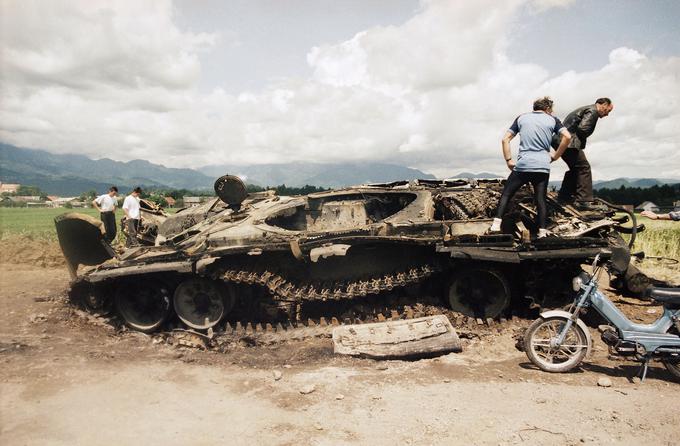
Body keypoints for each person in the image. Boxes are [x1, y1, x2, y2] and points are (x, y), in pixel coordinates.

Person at [490, 97, 572, 238]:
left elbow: (505, 139)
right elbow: (567, 137)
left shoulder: (521, 118)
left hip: (523, 165)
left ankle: (495, 225)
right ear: (547, 108)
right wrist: (556, 156)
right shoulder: (553, 120)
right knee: (540, 199)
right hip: (542, 165)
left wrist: (509, 160)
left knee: (507, 194)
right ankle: (542, 232)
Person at [555, 98, 614, 210]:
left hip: (561, 141)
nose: (607, 114)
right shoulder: (593, 111)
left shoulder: (587, 109)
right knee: (584, 168)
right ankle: (583, 201)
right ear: (604, 105)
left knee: (575, 169)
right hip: (569, 143)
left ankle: (564, 197)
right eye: (608, 111)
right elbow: (583, 129)